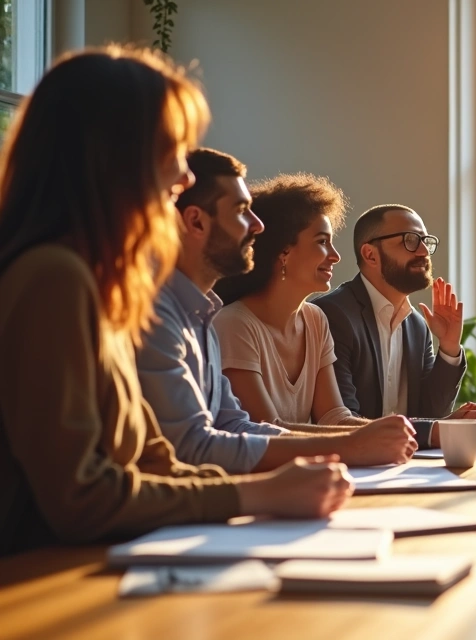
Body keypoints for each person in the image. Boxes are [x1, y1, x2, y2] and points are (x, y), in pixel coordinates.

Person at [0, 46, 351, 556]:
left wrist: (282, 481)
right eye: (170, 151)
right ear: (113, 156)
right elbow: (82, 497)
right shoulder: (54, 278)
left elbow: (157, 461)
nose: (184, 178)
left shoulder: (107, 289)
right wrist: (258, 493)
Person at [137, 149, 417, 473]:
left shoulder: (202, 315)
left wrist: (371, 439)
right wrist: (350, 446)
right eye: (242, 211)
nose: (257, 226)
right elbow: (197, 446)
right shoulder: (206, 320)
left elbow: (237, 425)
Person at [315, 204, 476, 447]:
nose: (424, 251)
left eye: (425, 241)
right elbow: (343, 422)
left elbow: (429, 413)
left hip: (405, 464)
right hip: (353, 469)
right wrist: (442, 429)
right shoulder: (333, 315)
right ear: (371, 255)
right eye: (410, 240)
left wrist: (449, 347)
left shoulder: (416, 325)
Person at [212, 173, 383, 427]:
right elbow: (268, 430)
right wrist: (370, 436)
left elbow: (333, 416)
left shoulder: (315, 319)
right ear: (283, 252)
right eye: (322, 242)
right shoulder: (234, 325)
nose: (335, 256)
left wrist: (394, 430)